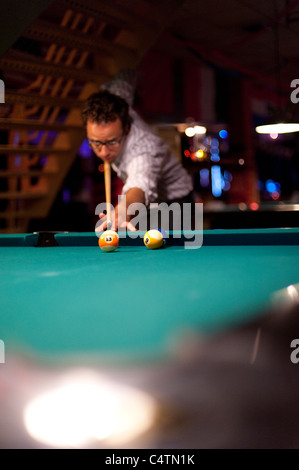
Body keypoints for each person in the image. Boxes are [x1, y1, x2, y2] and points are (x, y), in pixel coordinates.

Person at [81, 70, 194, 232]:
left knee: (159, 248)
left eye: (112, 141)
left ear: (126, 130)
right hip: (148, 204)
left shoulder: (143, 150)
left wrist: (123, 210)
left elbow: (140, 183)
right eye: (96, 142)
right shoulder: (117, 100)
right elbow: (126, 76)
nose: (104, 152)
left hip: (174, 201)